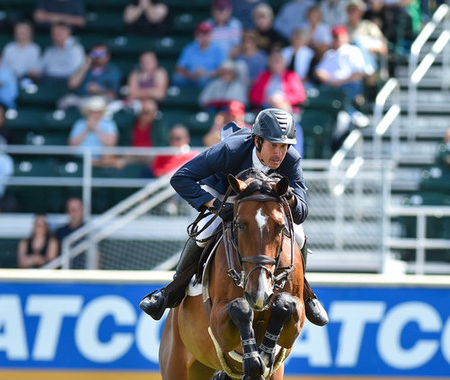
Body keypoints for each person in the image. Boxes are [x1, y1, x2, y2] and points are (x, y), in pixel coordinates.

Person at [139, 108, 329, 326]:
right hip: (226, 193)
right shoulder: (232, 149)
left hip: (266, 205)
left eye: (284, 146)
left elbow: (301, 212)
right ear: (257, 141)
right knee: (205, 232)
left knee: (299, 236)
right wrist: (216, 206)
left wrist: (290, 197)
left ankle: (306, 294)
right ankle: (171, 292)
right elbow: (182, 177)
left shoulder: (291, 160)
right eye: (273, 145)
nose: (279, 153)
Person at [68, 95, 123, 169]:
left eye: (98, 111)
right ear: (88, 112)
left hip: (102, 158)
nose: (95, 114)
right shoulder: (79, 124)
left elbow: (111, 144)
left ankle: (99, 163)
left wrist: (97, 129)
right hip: (80, 158)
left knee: (108, 156)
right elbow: (72, 145)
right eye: (93, 111)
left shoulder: (109, 124)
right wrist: (87, 130)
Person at [59, 44, 121, 109]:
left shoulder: (112, 71)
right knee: (65, 101)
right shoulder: (84, 68)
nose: (98, 56)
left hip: (100, 99)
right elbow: (72, 84)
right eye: (95, 53)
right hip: (81, 98)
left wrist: (99, 90)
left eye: (102, 53)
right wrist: (86, 65)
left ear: (108, 56)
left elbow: (114, 94)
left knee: (95, 103)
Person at [172, 21, 226, 89]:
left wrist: (206, 73)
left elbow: (222, 70)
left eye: (205, 33)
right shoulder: (189, 48)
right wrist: (190, 75)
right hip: (191, 77)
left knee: (204, 79)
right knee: (177, 78)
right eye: (199, 34)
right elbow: (179, 68)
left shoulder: (218, 49)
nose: (202, 36)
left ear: (210, 35)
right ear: (196, 35)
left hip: (209, 78)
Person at [31, 23, 86, 87]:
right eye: (54, 34)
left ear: (68, 33)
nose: (56, 36)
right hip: (49, 80)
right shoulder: (50, 50)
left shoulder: (76, 49)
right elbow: (39, 67)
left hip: (65, 81)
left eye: (59, 34)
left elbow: (76, 70)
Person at [54, 196, 90, 269]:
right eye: (72, 209)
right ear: (67, 211)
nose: (74, 212)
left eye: (77, 209)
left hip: (84, 275)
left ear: (82, 211)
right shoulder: (60, 232)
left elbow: (95, 257)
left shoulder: (89, 232)